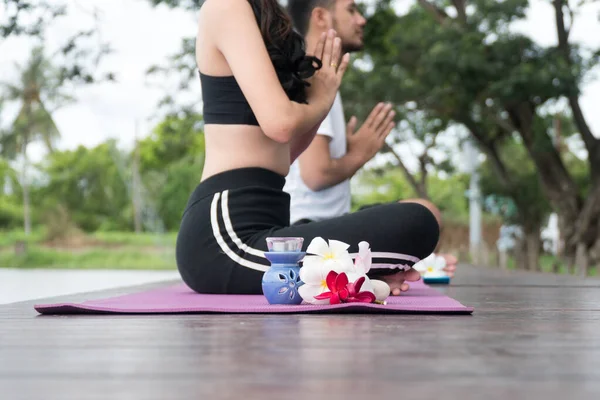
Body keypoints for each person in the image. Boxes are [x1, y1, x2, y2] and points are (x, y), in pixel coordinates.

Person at [176, 0, 440, 296]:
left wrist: (318, 96)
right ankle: (358, 272)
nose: (361, 19)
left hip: (269, 227)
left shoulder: (266, 13)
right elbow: (281, 123)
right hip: (225, 240)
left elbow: (283, 155)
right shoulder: (227, 5)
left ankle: (360, 274)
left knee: (420, 218)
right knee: (416, 222)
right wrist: (322, 100)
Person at [284, 0, 457, 284]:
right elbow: (316, 175)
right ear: (321, 17)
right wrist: (360, 155)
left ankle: (380, 269)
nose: (361, 20)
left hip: (329, 222)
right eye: (351, 10)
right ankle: (379, 270)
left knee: (424, 212)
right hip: (306, 229)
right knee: (424, 215)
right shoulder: (312, 74)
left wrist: (349, 152)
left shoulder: (320, 74)